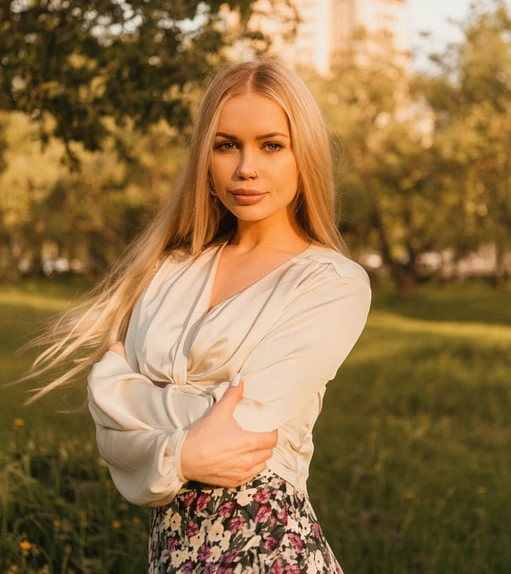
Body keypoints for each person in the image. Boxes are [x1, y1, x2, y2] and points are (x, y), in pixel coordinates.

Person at [29, 59, 371, 573]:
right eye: (226, 144)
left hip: (271, 547)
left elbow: (241, 424)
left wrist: (116, 391)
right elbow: (111, 440)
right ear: (204, 157)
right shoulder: (170, 270)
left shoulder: (331, 282)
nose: (246, 167)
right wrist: (186, 453)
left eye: (271, 145)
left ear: (305, 153)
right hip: (172, 553)